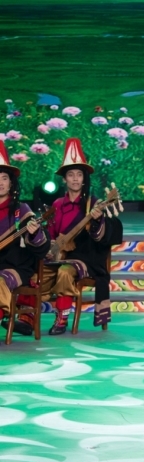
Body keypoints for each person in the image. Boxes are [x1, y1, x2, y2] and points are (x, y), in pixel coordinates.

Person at [38, 138, 124, 335]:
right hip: (60, 256)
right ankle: (25, 317)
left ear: (84, 179)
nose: (75, 179)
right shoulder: (58, 204)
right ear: (64, 179)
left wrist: (97, 220)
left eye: (79, 175)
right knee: (35, 271)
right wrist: (51, 245)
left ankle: (62, 318)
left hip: (86, 259)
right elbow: (52, 234)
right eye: (71, 175)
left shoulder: (93, 204)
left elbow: (102, 237)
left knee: (65, 271)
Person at [0, 141, 50, 335]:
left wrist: (34, 233)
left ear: (11, 183)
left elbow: (41, 248)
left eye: (4, 178)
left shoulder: (22, 211)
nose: (0, 182)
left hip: (15, 267)